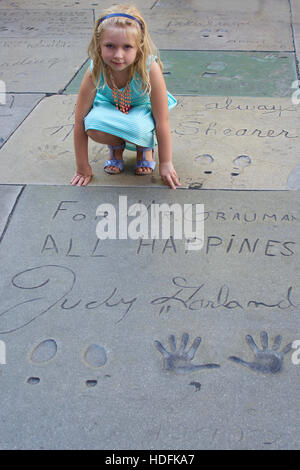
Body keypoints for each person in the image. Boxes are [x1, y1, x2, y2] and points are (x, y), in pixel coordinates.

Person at [70, 3, 181, 189]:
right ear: (99, 45)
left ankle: (144, 148)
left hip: (141, 110)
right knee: (92, 126)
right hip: (110, 107)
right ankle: (116, 148)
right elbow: (79, 121)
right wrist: (82, 167)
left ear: (139, 47)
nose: (118, 55)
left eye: (127, 47)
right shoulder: (95, 70)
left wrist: (166, 163)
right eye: (110, 46)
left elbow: (162, 121)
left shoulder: (149, 68)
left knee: (138, 129)